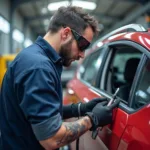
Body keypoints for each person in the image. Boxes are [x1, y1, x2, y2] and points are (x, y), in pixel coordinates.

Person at [0, 6, 120, 150]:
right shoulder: (38, 68)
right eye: (83, 46)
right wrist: (92, 119)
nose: (82, 54)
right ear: (66, 34)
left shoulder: (36, 58)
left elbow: (40, 111)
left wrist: (80, 109)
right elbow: (51, 138)